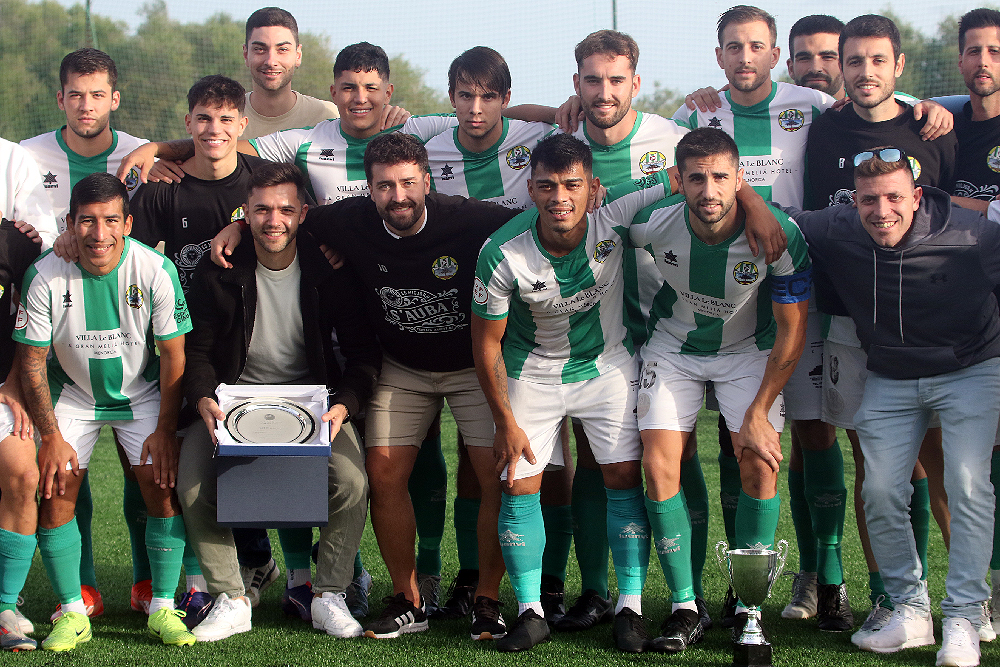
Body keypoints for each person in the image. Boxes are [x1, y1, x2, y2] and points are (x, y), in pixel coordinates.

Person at [211, 132, 524, 642]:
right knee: (382, 471)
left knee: (496, 476)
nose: (398, 196)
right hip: (401, 365)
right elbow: (284, 219)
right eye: (384, 186)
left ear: (427, 181)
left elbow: (534, 220)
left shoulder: (469, 218)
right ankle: (408, 599)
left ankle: (487, 599)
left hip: (472, 365)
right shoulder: (346, 219)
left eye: (407, 183)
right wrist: (236, 227)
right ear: (368, 189)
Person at [788, 146, 1000, 667]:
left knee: (968, 483)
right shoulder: (836, 226)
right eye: (869, 200)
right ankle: (909, 610)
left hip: (970, 368)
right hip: (889, 373)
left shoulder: (974, 235)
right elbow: (779, 217)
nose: (882, 211)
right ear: (853, 202)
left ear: (917, 196)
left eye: (894, 198)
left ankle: (965, 618)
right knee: (880, 490)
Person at [803, 14, 960, 642]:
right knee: (874, 465)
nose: (865, 72)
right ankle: (894, 599)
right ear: (840, 67)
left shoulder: (932, 127)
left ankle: (976, 600)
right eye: (853, 61)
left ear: (899, 66)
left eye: (877, 60)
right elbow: (818, 216)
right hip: (851, 323)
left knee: (943, 464)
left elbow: (951, 222)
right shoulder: (824, 130)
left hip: (929, 324)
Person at [178, 161, 378, 642]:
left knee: (352, 482)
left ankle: (329, 594)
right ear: (244, 213)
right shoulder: (219, 267)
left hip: (311, 399)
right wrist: (203, 398)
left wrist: (343, 405)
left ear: (303, 213)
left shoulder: (329, 266)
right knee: (192, 486)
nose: (274, 220)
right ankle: (231, 599)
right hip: (232, 399)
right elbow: (197, 350)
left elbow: (363, 354)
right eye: (262, 209)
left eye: (286, 210)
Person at [630, 126, 809, 653]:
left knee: (759, 463)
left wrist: (759, 410)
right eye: (696, 179)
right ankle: (686, 606)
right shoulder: (650, 222)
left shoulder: (779, 235)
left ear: (739, 179)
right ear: (678, 180)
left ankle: (751, 608)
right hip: (672, 348)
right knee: (658, 467)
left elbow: (793, 330)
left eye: (721, 178)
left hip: (749, 352)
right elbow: (594, 224)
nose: (709, 190)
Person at [550, 30, 695, 632]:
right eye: (592, 80)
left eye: (616, 80)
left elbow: (725, 180)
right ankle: (595, 590)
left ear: (636, 82)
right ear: (576, 85)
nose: (604, 92)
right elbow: (498, 118)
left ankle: (688, 597)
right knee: (594, 459)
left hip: (670, 331)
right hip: (599, 336)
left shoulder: (674, 140)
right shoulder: (561, 148)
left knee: (677, 457)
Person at [14, 173, 194, 650]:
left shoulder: (155, 269)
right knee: (57, 488)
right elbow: (31, 361)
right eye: (87, 221)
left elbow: (173, 354)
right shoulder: (44, 273)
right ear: (69, 223)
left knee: (161, 483)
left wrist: (165, 429)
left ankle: (162, 605)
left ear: (127, 224)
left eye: (111, 220)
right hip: (73, 395)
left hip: (141, 393)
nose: (99, 233)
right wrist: (51, 437)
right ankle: (73, 611)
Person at [423, 46, 570, 622]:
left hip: (537, 322)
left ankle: (552, 580)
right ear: (451, 98)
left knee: (550, 459)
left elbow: (571, 118)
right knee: (476, 454)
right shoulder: (428, 140)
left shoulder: (535, 139)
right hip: (463, 317)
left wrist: (551, 111)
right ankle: (469, 576)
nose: (476, 108)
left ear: (507, 99)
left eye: (489, 97)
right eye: (465, 96)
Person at [19, 48, 163, 618]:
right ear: (60, 98)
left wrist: (164, 146)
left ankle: (147, 583)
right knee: (62, 472)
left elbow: (216, 147)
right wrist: (48, 241)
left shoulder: (139, 152)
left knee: (142, 470)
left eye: (98, 94)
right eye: (76, 94)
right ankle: (81, 589)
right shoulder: (29, 156)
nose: (86, 105)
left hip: (124, 329)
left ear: (115, 99)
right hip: (54, 328)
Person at [950, 7, 1000, 639]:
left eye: (995, 50)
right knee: (970, 467)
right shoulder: (942, 119)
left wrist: (957, 205)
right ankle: (978, 596)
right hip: (957, 313)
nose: (983, 62)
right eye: (973, 51)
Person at [241, 6, 339, 140]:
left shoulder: (327, 117)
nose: (271, 61)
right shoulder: (223, 120)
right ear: (246, 54)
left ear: (298, 55)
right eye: (259, 49)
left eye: (282, 49)